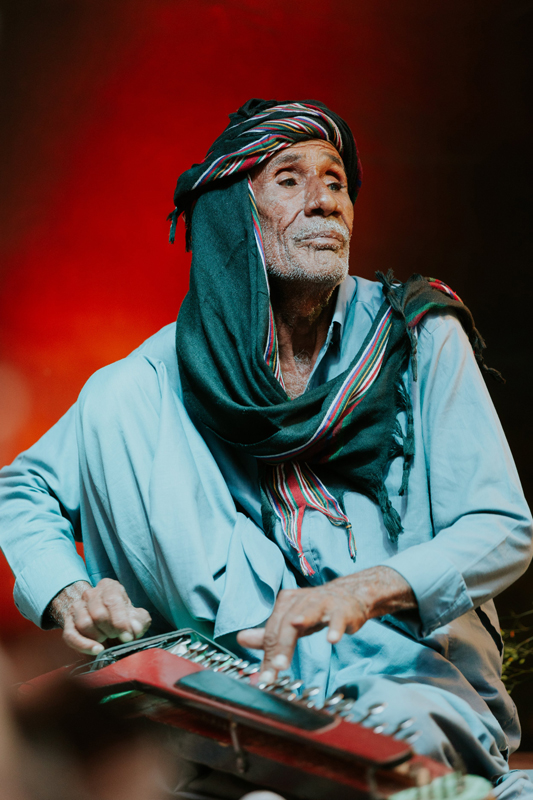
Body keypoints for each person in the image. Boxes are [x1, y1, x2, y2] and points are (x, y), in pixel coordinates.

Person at [0, 99, 532, 798]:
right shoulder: (143, 386)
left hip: (409, 700)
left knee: (395, 747)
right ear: (233, 216)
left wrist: (363, 590)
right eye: (290, 180)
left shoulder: (418, 341)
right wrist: (68, 593)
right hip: (224, 721)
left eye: (336, 181)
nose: (325, 203)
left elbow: (500, 528)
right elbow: (20, 488)